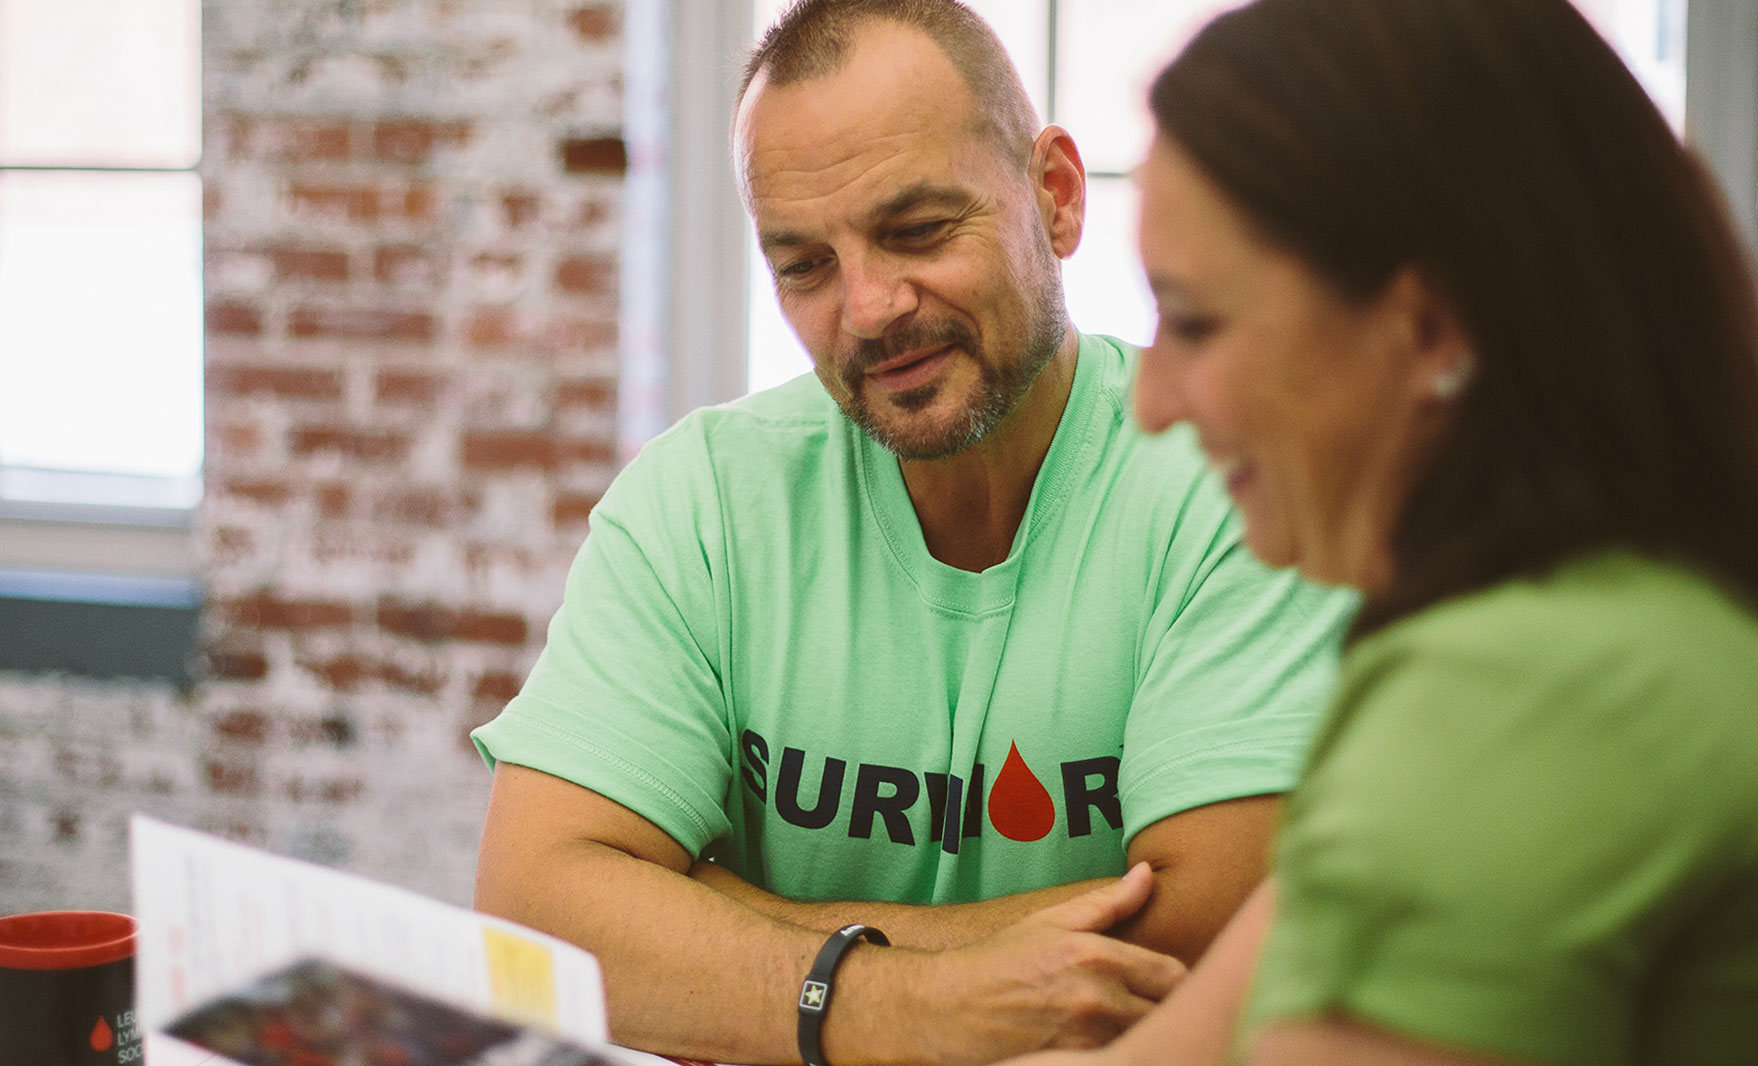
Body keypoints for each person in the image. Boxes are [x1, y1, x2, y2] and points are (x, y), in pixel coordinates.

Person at [1004, 0, 1758, 1064]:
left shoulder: (1527, 694)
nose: (1151, 404)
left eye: (1194, 322)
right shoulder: (1583, 632)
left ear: (1428, 328)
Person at [469, 1, 1350, 1063]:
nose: (870, 307)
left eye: (918, 230)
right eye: (804, 265)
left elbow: (1210, 933)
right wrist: (906, 1005)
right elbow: (533, 912)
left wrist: (711, 925)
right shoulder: (701, 500)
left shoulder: (1230, 483)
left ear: (1055, 195)